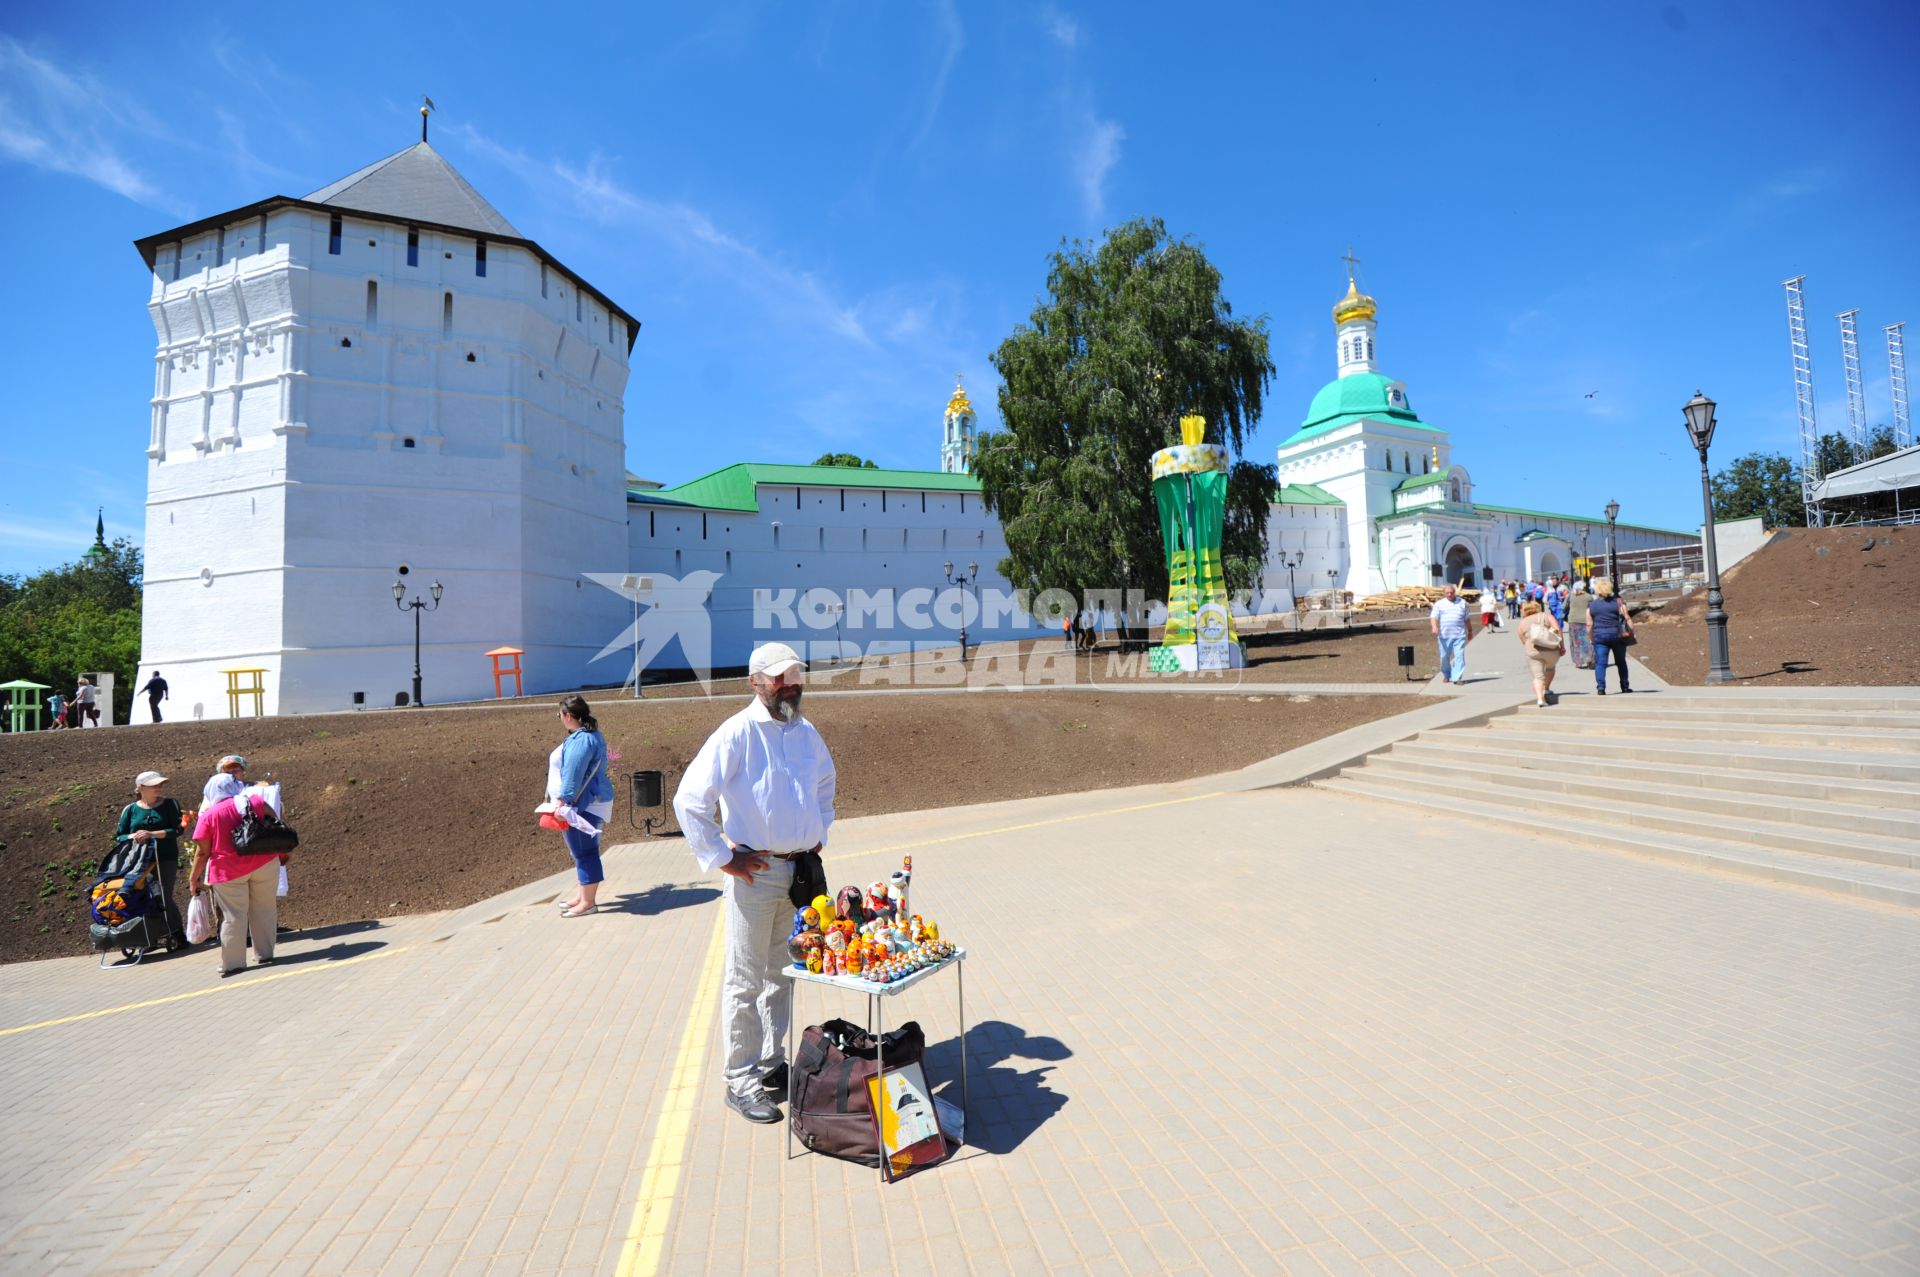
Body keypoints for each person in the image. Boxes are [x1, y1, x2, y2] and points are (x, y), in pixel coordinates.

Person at [673, 641, 837, 1125]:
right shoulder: (736, 733)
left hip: (799, 875)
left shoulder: (806, 733)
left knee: (781, 974)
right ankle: (740, 1081)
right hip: (756, 874)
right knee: (744, 980)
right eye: (780, 677)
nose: (791, 685)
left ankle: (771, 1064)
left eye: (795, 676)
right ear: (755, 682)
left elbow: (826, 786)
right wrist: (725, 859)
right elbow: (689, 801)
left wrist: (818, 832)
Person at [188, 788, 282, 976]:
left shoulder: (209, 815)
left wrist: (193, 878)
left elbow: (203, 852)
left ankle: (233, 963)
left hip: (229, 871)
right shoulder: (254, 801)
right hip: (264, 861)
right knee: (264, 907)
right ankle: (265, 953)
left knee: (234, 915)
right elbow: (277, 822)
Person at [549, 695, 614, 917]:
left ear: (568, 716)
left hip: (583, 803)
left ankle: (588, 903)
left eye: (559, 715)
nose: (559, 718)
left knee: (585, 852)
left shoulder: (582, 740)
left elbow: (573, 774)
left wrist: (562, 800)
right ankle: (582, 896)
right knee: (581, 851)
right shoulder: (588, 735)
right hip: (587, 801)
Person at [116, 770, 187, 948]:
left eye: (160, 784)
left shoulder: (170, 804)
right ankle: (149, 936)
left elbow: (177, 830)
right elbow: (120, 836)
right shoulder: (130, 810)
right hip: (139, 861)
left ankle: (176, 932)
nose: (159, 787)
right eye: (154, 785)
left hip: (165, 857)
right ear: (140, 788)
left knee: (163, 895)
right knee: (141, 895)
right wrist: (135, 836)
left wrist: (152, 834)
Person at [1588, 577, 1634, 695]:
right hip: (1617, 635)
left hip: (1600, 637)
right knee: (1621, 662)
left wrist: (1591, 637)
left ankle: (1601, 688)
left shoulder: (1592, 605)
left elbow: (1589, 624)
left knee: (1601, 663)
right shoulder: (1619, 602)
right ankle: (1624, 686)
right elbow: (1627, 617)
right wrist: (1631, 632)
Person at [1515, 600, 1564, 708]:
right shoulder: (1547, 616)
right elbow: (1557, 630)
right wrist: (1562, 646)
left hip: (1533, 651)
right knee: (1550, 668)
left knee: (1538, 676)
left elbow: (1523, 640)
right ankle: (1546, 689)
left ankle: (1540, 699)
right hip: (1551, 649)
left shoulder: (1522, 623)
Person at [1429, 584, 1469, 685]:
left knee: (1459, 656)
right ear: (1444, 593)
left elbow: (1467, 618)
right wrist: (1434, 627)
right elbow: (1434, 617)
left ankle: (1457, 678)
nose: (1450, 594)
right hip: (1444, 635)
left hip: (1459, 635)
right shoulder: (1439, 604)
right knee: (1444, 657)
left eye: (1451, 592)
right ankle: (1447, 674)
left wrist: (1471, 631)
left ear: (1454, 592)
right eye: (1447, 593)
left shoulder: (1462, 603)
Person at [1566, 585, 1594, 671]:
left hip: (1573, 621)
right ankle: (1589, 658)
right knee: (1587, 640)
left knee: (1575, 642)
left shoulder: (1570, 595)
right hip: (1586, 620)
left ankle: (1578, 662)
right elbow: (1593, 608)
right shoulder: (1589, 597)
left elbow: (1564, 607)